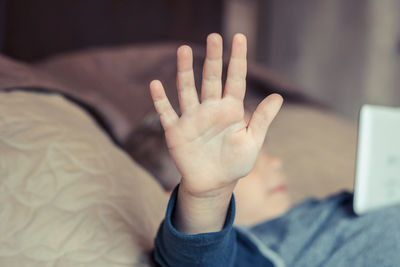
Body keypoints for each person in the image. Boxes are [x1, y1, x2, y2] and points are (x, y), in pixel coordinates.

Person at [149, 33, 400, 266]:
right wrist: (204, 199)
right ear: (172, 195)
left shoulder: (311, 216)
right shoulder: (247, 252)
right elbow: (196, 258)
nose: (276, 163)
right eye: (250, 158)